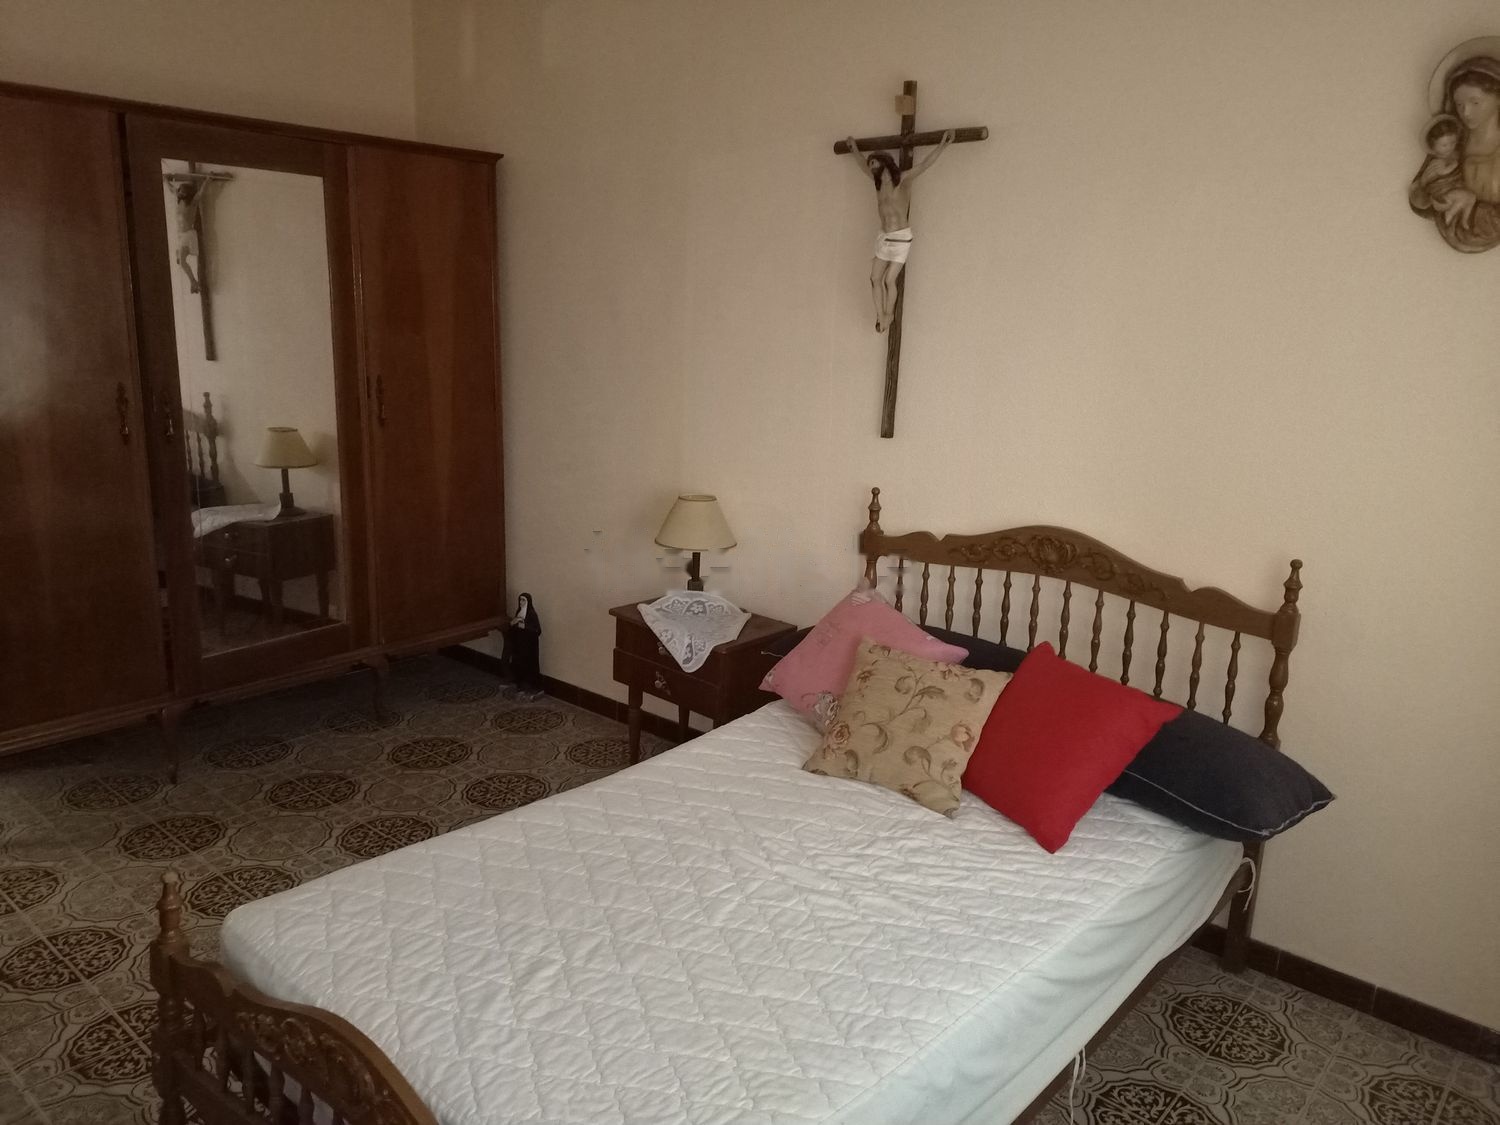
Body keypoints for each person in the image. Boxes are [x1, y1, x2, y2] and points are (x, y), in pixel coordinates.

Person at [845, 129, 954, 332]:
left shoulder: (902, 180)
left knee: (889, 280)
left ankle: (889, 313)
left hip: (901, 238)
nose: (871, 167)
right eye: (870, 165)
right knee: (874, 278)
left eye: (873, 163)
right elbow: (861, 164)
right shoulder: (877, 185)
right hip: (884, 238)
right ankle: (881, 316)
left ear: (883, 162)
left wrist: (943, 144)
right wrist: (854, 149)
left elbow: (925, 164)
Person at [1412, 57, 1500, 252]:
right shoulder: (1451, 145)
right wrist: (1427, 185)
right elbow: (1421, 200)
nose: (1465, 112)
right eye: (1459, 104)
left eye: (1475, 102)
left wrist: (1473, 206)